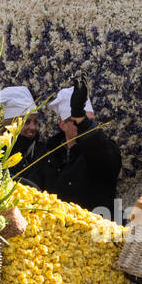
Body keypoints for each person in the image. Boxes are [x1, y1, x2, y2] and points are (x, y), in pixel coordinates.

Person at [32, 77, 122, 215]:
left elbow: (104, 158)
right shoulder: (47, 153)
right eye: (76, 121)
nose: (82, 125)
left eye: (88, 121)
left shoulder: (105, 149)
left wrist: (81, 118)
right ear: (62, 125)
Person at [0, 85, 42, 170]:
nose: (33, 127)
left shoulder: (39, 152)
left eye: (35, 121)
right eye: (26, 122)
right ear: (11, 124)